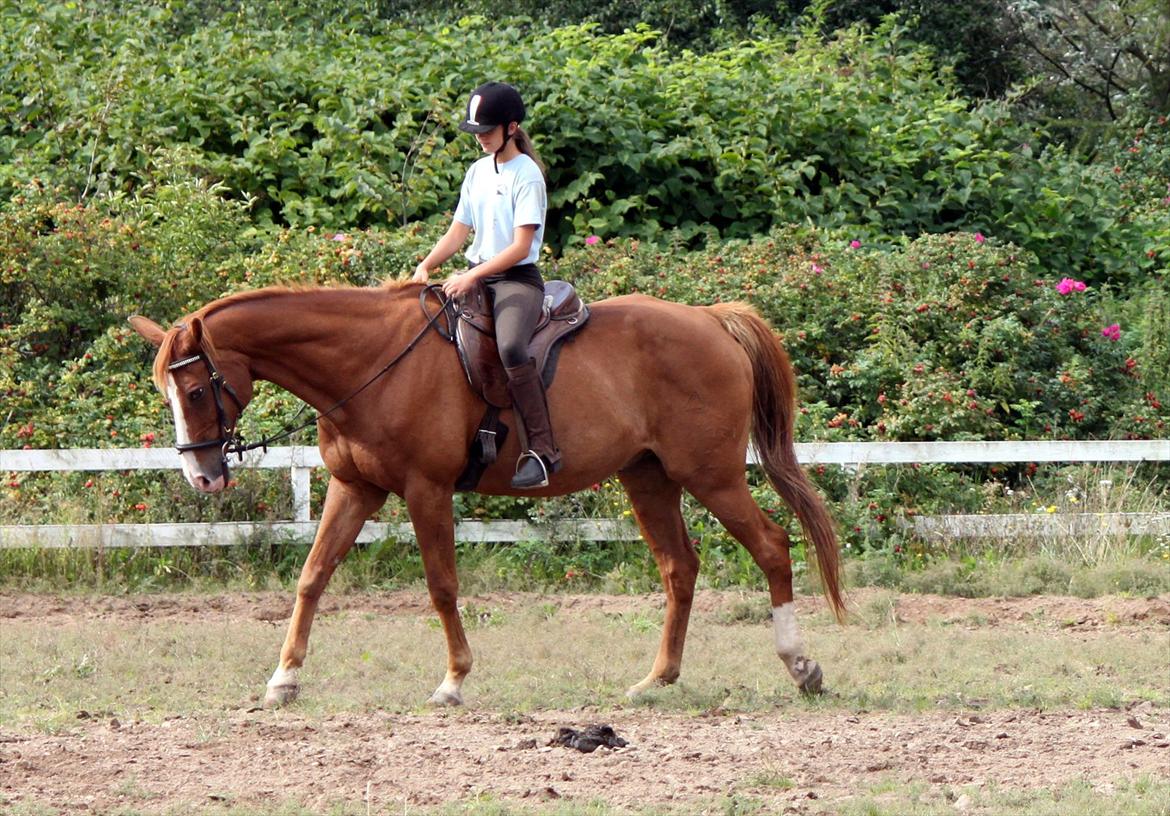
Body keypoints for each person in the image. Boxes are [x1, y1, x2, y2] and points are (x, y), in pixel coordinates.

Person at [412, 81, 561, 489]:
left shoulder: (527, 175)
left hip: (515, 280)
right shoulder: (477, 171)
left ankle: (543, 451)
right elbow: (458, 233)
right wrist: (425, 264)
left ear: (512, 128)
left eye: (487, 131)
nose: (479, 138)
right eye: (476, 131)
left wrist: (471, 276)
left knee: (511, 346)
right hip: (473, 275)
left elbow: (520, 247)